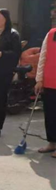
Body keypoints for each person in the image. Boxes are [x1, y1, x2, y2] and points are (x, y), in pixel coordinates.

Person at [0, 8, 21, 138]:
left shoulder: (13, 34)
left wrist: (1, 54)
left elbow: (16, 54)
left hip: (3, 71)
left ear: (6, 19)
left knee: (0, 99)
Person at [34, 28, 56, 158]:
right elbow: (43, 57)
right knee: (50, 114)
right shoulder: (51, 33)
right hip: (50, 81)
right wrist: (39, 79)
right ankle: (52, 142)